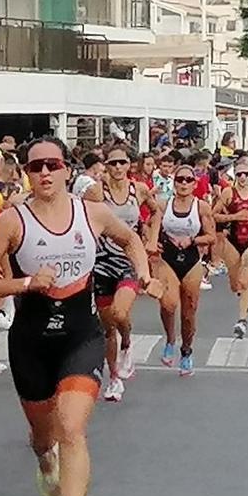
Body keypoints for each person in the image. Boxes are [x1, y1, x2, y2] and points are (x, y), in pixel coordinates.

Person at [0, 136, 149, 496]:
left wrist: (142, 270)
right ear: (26, 175)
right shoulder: (12, 222)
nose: (44, 173)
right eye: (35, 168)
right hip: (31, 340)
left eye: (52, 165)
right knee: (42, 436)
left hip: (81, 335)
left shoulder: (91, 214)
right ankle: (44, 460)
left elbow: (131, 239)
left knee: (72, 427)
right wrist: (26, 282)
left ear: (66, 170)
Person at [84, 147, 144, 401]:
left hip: (127, 260)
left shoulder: (138, 189)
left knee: (121, 312)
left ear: (129, 165)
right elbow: (81, 217)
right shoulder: (96, 191)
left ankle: (127, 344)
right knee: (107, 325)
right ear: (105, 165)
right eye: (113, 163)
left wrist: (150, 239)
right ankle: (115, 378)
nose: (118, 167)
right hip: (101, 262)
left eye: (122, 162)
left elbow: (155, 211)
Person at [149, 167, 213, 374]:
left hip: (192, 259)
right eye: (180, 180)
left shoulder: (201, 207)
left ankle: (186, 351)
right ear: (174, 183)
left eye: (188, 180)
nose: (184, 183)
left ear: (195, 184)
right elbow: (151, 228)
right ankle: (169, 340)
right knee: (168, 303)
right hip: (168, 259)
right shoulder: (163, 205)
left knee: (188, 312)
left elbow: (212, 236)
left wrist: (193, 240)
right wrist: (151, 243)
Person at [212, 165, 248, 337]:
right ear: (235, 175)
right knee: (235, 285)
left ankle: (242, 320)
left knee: (245, 281)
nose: (242, 177)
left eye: (246, 174)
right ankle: (243, 299)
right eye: (239, 174)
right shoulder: (229, 192)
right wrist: (235, 217)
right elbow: (214, 215)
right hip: (232, 240)